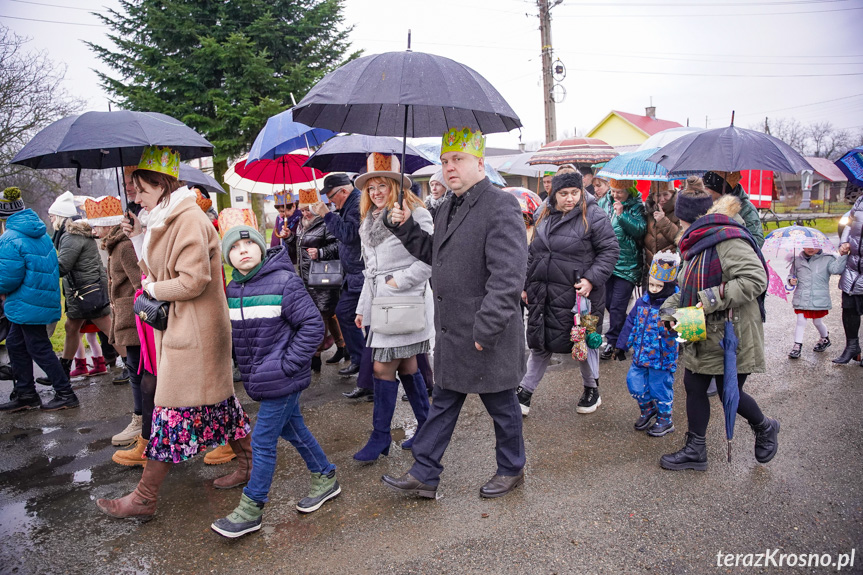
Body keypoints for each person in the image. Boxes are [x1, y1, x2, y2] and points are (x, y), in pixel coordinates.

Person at [97, 146, 251, 520]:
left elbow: (193, 281)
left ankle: (144, 498)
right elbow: (157, 268)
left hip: (196, 333)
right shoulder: (164, 217)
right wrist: (136, 240)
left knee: (169, 417)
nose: (136, 196)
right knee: (222, 409)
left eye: (143, 189)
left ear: (163, 184)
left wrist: (152, 290)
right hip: (188, 330)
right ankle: (251, 467)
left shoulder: (188, 220)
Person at [382, 127, 528, 499]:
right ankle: (425, 474)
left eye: (458, 160)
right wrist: (404, 227)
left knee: (502, 405)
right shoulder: (447, 205)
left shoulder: (501, 205)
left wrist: (487, 328)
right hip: (452, 329)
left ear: (479, 163)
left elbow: (508, 276)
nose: (449, 168)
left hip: (484, 331)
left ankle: (512, 469)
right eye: (445, 161)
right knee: (444, 402)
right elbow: (436, 255)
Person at [211, 221, 339, 538]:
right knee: (294, 430)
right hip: (263, 379)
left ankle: (250, 509)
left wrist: (288, 364)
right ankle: (325, 476)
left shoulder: (284, 282)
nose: (243, 251)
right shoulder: (234, 289)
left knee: (262, 442)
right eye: (235, 248)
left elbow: (312, 327)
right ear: (228, 257)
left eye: (249, 245)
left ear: (261, 247)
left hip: (281, 378)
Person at [659, 191, 779, 471]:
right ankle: (696, 450)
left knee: (729, 392)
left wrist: (711, 298)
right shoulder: (696, 242)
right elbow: (687, 289)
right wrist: (668, 311)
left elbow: (755, 278)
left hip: (730, 331)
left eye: (682, 220)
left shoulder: (728, 239)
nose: (680, 226)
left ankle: (765, 427)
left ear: (694, 218)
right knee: (693, 385)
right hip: (697, 322)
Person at [352, 154, 434, 460]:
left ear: (396, 187)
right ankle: (427, 426)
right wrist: (363, 307)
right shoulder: (368, 221)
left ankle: (380, 436)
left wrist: (397, 282)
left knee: (381, 366)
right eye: (370, 187)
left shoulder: (416, 214)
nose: (375, 192)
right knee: (408, 364)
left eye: (381, 185)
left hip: (405, 303)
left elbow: (429, 260)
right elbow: (369, 271)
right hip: (381, 306)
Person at [516, 171, 618, 416]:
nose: (570, 198)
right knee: (541, 342)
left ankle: (592, 389)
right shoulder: (543, 213)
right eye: (563, 194)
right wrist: (525, 284)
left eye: (575, 193)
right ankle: (524, 393)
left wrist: (591, 280)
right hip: (544, 291)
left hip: (579, 296)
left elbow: (610, 251)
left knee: (581, 343)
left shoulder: (594, 215)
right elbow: (533, 253)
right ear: (554, 194)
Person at [0, 187, 77, 412]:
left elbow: (7, 278)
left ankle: (65, 393)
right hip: (41, 300)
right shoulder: (40, 233)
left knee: (38, 347)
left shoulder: (9, 238)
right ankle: (26, 393)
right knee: (15, 343)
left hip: (26, 303)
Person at [83, 196, 148, 448]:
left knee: (136, 370)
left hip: (134, 317)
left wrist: (132, 307)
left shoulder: (123, 247)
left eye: (97, 226)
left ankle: (140, 421)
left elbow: (139, 282)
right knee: (133, 368)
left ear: (109, 225)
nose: (93, 231)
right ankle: (140, 419)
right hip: (126, 315)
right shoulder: (114, 246)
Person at [49, 192, 116, 380]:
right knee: (72, 328)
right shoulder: (69, 235)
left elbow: (63, 266)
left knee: (107, 328)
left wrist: (42, 263)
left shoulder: (70, 236)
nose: (51, 219)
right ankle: (62, 372)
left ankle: (132, 364)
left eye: (53, 215)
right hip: (83, 291)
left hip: (87, 292)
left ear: (61, 217)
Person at [310, 174, 369, 384]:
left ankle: (365, 367)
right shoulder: (348, 204)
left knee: (358, 318)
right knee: (344, 313)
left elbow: (349, 234)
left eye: (331, 197)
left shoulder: (357, 204)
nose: (330, 202)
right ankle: (360, 361)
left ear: (343, 191)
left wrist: (327, 214)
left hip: (361, 273)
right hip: (352, 273)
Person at [615, 252, 680, 436]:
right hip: (641, 354)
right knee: (634, 383)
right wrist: (622, 345)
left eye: (659, 286)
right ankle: (648, 410)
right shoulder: (642, 301)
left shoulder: (674, 304)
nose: (653, 289)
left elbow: (683, 329)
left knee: (660, 388)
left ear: (668, 286)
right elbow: (631, 323)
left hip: (662, 358)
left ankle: (665, 420)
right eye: (651, 284)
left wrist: (675, 328)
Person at [598, 179, 647, 360]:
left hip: (628, 264)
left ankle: (614, 342)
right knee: (607, 303)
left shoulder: (636, 206)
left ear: (629, 190)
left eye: (619, 191)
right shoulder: (604, 202)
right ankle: (627, 329)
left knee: (618, 306)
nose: (615, 195)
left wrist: (621, 215)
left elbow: (641, 229)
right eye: (613, 191)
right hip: (606, 260)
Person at [295, 197, 346, 371]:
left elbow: (339, 246)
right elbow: (297, 248)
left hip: (323, 277)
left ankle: (316, 356)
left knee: (321, 315)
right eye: (302, 210)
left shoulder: (325, 223)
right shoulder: (302, 224)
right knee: (329, 314)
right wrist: (287, 238)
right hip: (307, 278)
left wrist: (321, 252)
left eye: (307, 209)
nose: (305, 213)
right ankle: (342, 346)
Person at [786, 247, 847, 359]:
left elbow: (836, 270)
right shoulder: (797, 260)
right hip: (802, 296)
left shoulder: (827, 259)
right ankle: (797, 345)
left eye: (814, 246)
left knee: (817, 321)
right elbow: (791, 275)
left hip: (818, 297)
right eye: (807, 245)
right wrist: (791, 280)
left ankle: (825, 338)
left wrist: (843, 256)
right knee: (800, 320)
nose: (810, 248)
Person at [833, 193, 863, 365]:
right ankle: (852, 346)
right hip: (853, 266)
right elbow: (849, 225)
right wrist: (844, 242)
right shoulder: (860, 200)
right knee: (849, 307)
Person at [702, 171, 765, 247]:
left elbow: (757, 240)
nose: (704, 191)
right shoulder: (706, 204)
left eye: (707, 187)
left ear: (720, 189)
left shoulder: (747, 209)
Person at [643, 181, 680, 289]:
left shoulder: (679, 210)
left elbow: (679, 237)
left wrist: (663, 220)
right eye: (658, 195)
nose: (662, 199)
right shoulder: (649, 211)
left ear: (672, 194)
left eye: (666, 194)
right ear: (653, 196)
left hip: (669, 269)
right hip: (651, 269)